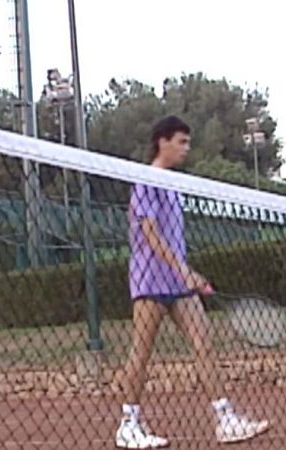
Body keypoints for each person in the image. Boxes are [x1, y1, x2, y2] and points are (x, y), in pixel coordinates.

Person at [115, 116, 270, 448]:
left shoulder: (173, 185)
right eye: (181, 141)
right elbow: (150, 234)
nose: (187, 148)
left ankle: (224, 418)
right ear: (163, 142)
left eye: (188, 142)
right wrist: (183, 270)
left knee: (204, 342)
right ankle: (128, 424)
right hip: (149, 280)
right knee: (141, 351)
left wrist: (185, 273)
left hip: (178, 283)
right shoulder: (145, 180)